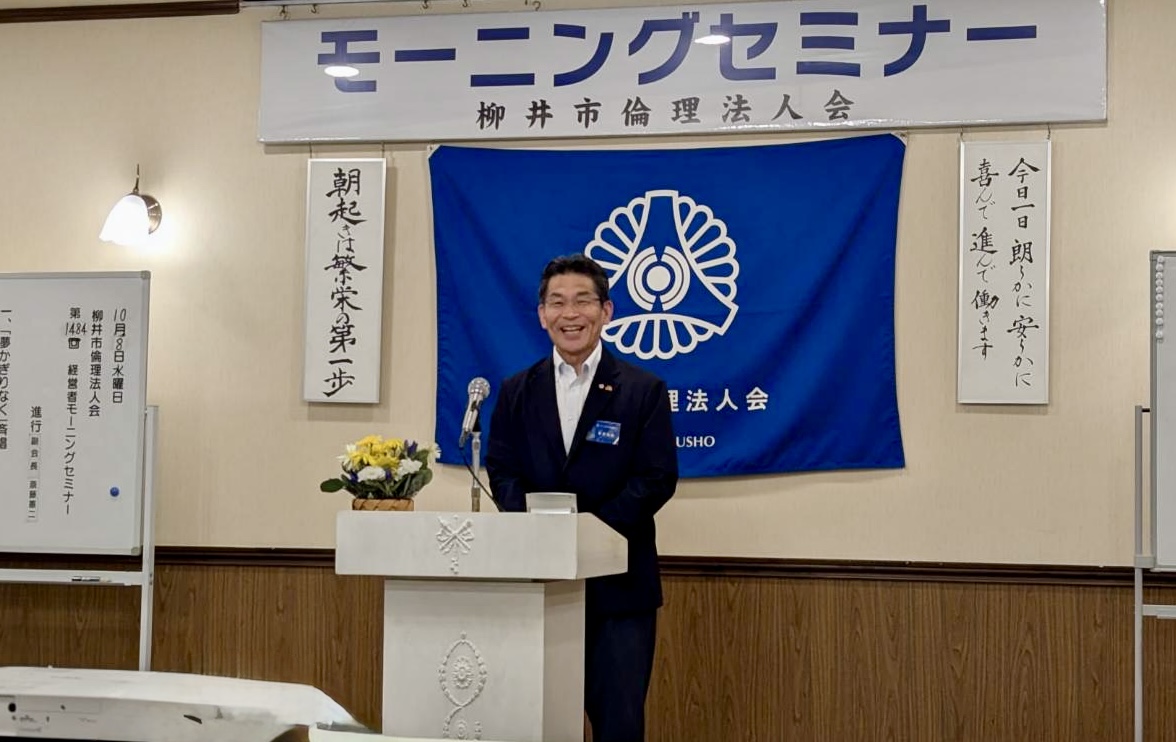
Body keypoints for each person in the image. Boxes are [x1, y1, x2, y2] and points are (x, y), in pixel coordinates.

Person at [486, 253, 679, 742]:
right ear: (541, 315)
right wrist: (537, 525)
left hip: (619, 593)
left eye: (582, 301)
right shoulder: (515, 391)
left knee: (619, 727)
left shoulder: (643, 390)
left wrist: (587, 534)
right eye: (557, 302)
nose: (569, 314)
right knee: (540, 725)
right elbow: (502, 470)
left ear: (606, 311)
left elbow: (656, 477)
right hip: (539, 584)